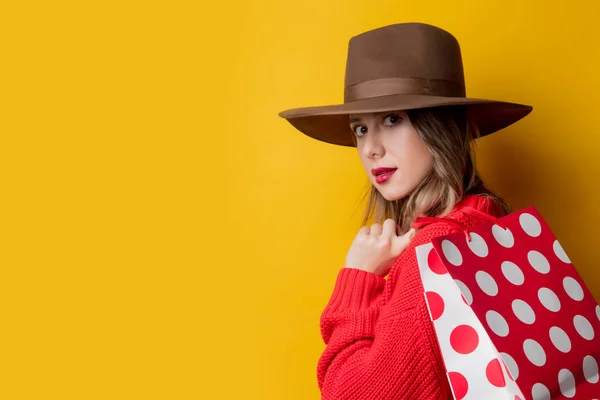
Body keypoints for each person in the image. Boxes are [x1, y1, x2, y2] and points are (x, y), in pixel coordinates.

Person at [278, 22, 532, 399]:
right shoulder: (488, 227)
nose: (370, 149)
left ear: (440, 128)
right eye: (360, 129)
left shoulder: (431, 255)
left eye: (393, 120)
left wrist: (358, 278)